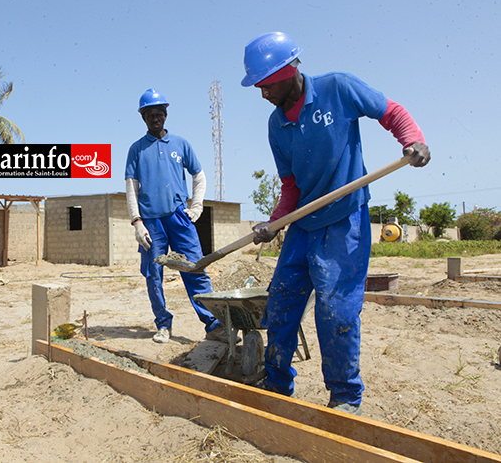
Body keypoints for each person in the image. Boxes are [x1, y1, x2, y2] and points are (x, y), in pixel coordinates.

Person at [241, 32, 430, 415]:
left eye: (265, 84)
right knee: (279, 307)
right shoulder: (276, 125)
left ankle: (344, 397)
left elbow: (391, 112)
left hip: (345, 222)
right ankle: (277, 387)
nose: (262, 93)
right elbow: (290, 185)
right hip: (302, 226)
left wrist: (412, 141)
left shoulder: (338, 89)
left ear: (289, 70)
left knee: (336, 314)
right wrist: (275, 223)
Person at [125, 89, 232, 344]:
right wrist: (137, 223)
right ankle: (163, 324)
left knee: (195, 268)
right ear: (143, 117)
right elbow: (131, 187)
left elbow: (199, 176)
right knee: (153, 274)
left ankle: (214, 325)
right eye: (149, 114)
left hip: (178, 218)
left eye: (159, 113)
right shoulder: (136, 150)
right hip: (150, 222)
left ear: (165, 114)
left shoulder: (180, 144)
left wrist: (196, 207)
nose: (155, 118)